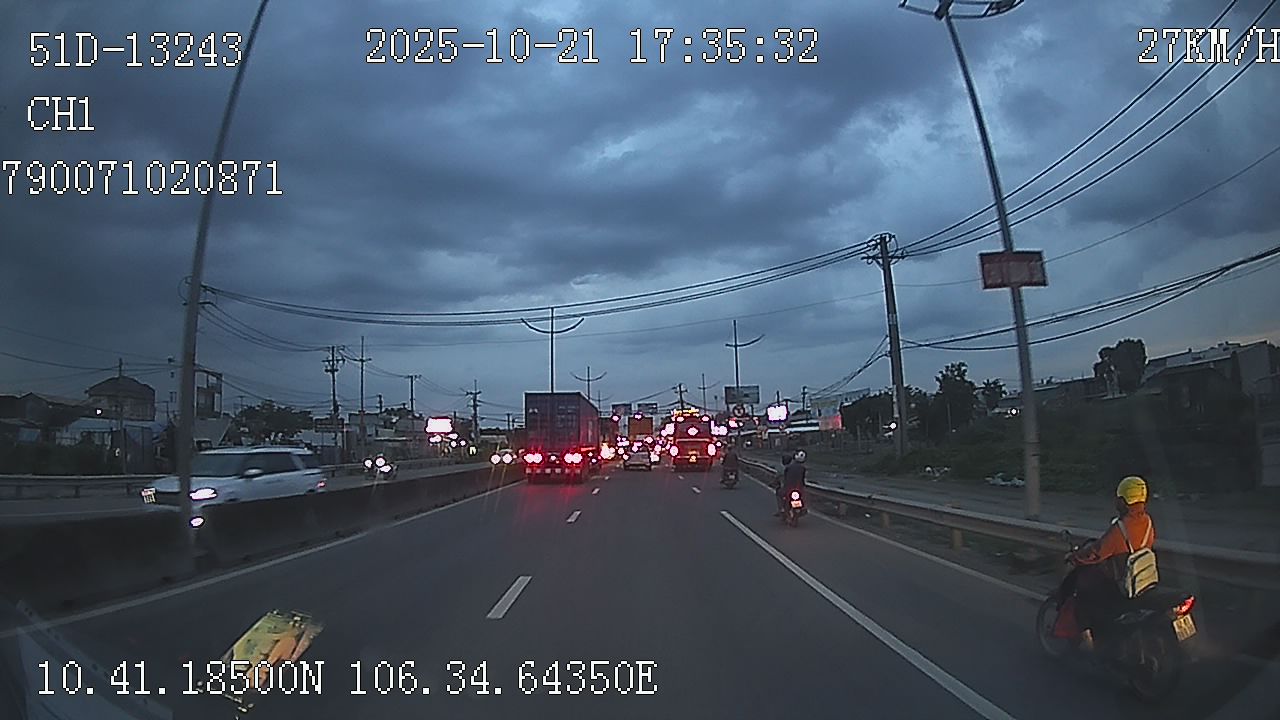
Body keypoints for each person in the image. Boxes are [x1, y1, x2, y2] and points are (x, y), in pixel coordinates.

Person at [1065, 475, 1156, 645]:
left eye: (1118, 498)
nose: (1115, 502)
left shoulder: (1120, 529)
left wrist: (1075, 557)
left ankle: (1090, 642)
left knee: (1085, 592)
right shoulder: (1147, 522)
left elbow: (1096, 553)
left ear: (1124, 501)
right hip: (1143, 580)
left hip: (1121, 581)